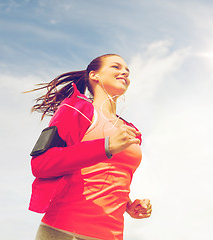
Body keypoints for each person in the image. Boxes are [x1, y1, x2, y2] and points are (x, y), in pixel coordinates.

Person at [28, 54, 152, 240]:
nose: (124, 72)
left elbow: (107, 174)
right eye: (116, 67)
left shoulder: (131, 130)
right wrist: (105, 146)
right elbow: (41, 164)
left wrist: (128, 205)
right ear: (95, 75)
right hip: (65, 231)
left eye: (127, 70)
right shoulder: (75, 110)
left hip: (111, 235)